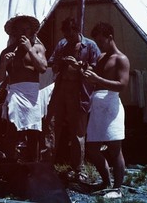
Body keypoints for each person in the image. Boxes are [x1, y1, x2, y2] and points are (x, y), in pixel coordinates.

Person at [44, 17, 100, 180]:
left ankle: (78, 169)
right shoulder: (62, 44)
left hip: (79, 91)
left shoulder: (89, 46)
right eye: (66, 33)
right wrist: (60, 63)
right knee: (51, 125)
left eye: (71, 33)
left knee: (77, 131)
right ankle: (47, 165)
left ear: (77, 30)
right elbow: (52, 63)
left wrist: (79, 66)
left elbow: (95, 70)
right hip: (61, 88)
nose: (68, 36)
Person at [82, 22, 130, 199]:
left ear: (110, 38)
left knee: (114, 148)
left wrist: (98, 79)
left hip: (111, 106)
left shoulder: (121, 59)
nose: (100, 45)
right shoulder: (101, 57)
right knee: (92, 147)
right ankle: (106, 182)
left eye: (102, 41)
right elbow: (94, 78)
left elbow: (122, 85)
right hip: (97, 107)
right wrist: (84, 71)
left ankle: (118, 188)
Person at [0, 14, 47, 162]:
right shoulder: (7, 52)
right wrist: (4, 64)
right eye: (19, 30)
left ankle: (33, 166)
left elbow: (43, 67)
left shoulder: (37, 48)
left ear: (32, 31)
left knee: (34, 132)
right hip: (16, 92)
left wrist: (29, 49)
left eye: (26, 29)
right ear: (14, 32)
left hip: (33, 93)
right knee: (12, 129)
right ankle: (11, 165)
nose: (23, 32)